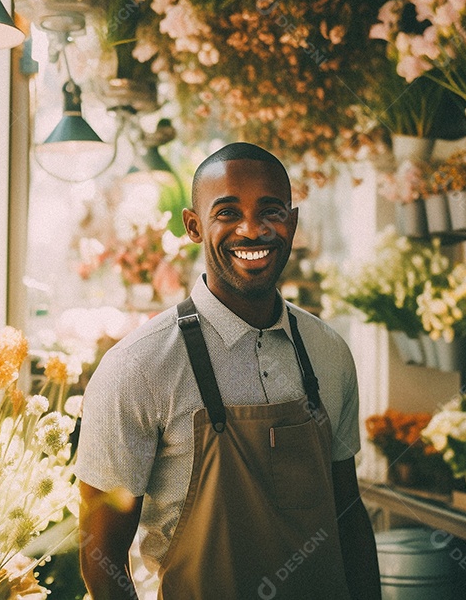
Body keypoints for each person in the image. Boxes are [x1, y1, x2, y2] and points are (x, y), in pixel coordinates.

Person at [76, 142, 381, 599]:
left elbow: (348, 514)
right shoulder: (137, 367)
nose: (253, 230)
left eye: (271, 211)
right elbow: (101, 558)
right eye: (227, 213)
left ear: (292, 224)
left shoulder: (329, 352)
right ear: (194, 226)